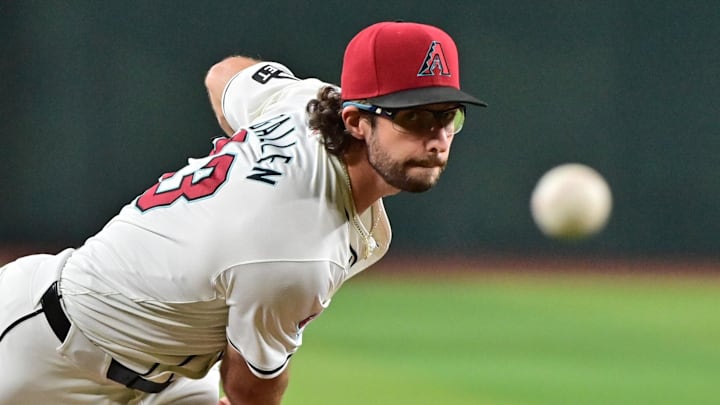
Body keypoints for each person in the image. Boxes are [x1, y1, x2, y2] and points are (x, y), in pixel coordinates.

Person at [0, 21, 485, 404]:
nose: (437, 137)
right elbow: (250, 391)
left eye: (447, 116)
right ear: (355, 121)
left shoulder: (305, 102)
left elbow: (225, 73)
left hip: (171, 374)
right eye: (414, 116)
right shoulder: (296, 250)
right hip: (42, 351)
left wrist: (249, 168)